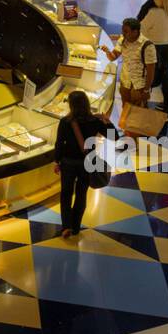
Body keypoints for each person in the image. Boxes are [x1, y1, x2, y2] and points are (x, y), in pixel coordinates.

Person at [53, 89, 108, 238]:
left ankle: (66, 227)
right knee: (81, 194)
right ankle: (76, 227)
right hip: (86, 163)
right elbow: (114, 136)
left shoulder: (65, 122)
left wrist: (56, 161)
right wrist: (106, 122)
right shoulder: (95, 121)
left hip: (68, 163)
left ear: (71, 105)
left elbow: (59, 143)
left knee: (66, 194)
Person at [103, 17, 157, 108]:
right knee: (125, 109)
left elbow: (151, 71)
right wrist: (108, 51)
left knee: (137, 114)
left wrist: (146, 90)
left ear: (135, 32)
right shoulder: (122, 40)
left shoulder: (147, 46)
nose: (123, 34)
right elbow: (113, 58)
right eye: (123, 31)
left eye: (126, 31)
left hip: (139, 87)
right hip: (125, 83)